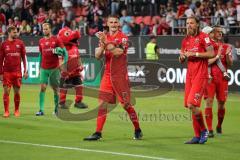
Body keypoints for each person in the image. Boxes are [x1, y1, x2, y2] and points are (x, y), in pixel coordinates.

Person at [84, 15, 142, 141]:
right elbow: (97, 56)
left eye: (116, 22)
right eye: (111, 22)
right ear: (107, 24)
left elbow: (118, 52)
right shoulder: (105, 37)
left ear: (119, 24)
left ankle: (137, 129)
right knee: (102, 104)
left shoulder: (123, 38)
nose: (114, 24)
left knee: (126, 105)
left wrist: (105, 41)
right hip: (107, 75)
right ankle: (98, 133)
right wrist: (103, 43)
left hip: (120, 76)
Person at [179, 16, 215, 144]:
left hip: (201, 74)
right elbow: (182, 57)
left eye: (191, 23)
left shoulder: (204, 37)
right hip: (190, 75)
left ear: (197, 25)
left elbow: (211, 54)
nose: (189, 25)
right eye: (187, 23)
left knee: (191, 104)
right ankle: (196, 135)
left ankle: (204, 130)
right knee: (191, 107)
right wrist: (182, 57)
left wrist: (195, 54)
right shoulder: (185, 40)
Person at [204, 26, 233, 138]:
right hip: (210, 78)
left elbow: (230, 64)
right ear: (212, 33)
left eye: (221, 32)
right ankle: (210, 129)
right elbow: (206, 63)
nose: (220, 33)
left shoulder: (225, 46)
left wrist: (227, 55)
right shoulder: (208, 47)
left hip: (222, 80)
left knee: (221, 104)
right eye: (218, 32)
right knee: (209, 102)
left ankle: (219, 125)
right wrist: (217, 55)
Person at [36, 23, 68, 116]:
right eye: (43, 29)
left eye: (46, 29)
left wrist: (65, 64)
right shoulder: (41, 41)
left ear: (50, 29)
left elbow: (65, 53)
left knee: (55, 89)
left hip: (54, 69)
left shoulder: (56, 39)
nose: (44, 30)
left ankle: (56, 109)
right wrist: (39, 68)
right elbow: (40, 55)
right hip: (43, 69)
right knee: (42, 88)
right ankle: (41, 110)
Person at [0, 26, 28, 117]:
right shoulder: (4, 44)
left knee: (17, 92)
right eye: (14, 32)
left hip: (17, 72)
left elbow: (24, 58)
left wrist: (25, 71)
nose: (16, 34)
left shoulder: (20, 43)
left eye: (16, 32)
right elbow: (0, 60)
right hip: (7, 72)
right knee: (6, 92)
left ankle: (16, 110)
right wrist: (0, 73)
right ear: (9, 33)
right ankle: (6, 111)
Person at [57, 27, 88, 109]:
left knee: (79, 86)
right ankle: (61, 103)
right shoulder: (61, 50)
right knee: (64, 88)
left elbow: (78, 58)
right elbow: (59, 62)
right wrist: (64, 71)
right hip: (66, 73)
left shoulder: (75, 48)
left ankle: (78, 102)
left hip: (76, 72)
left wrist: (80, 66)